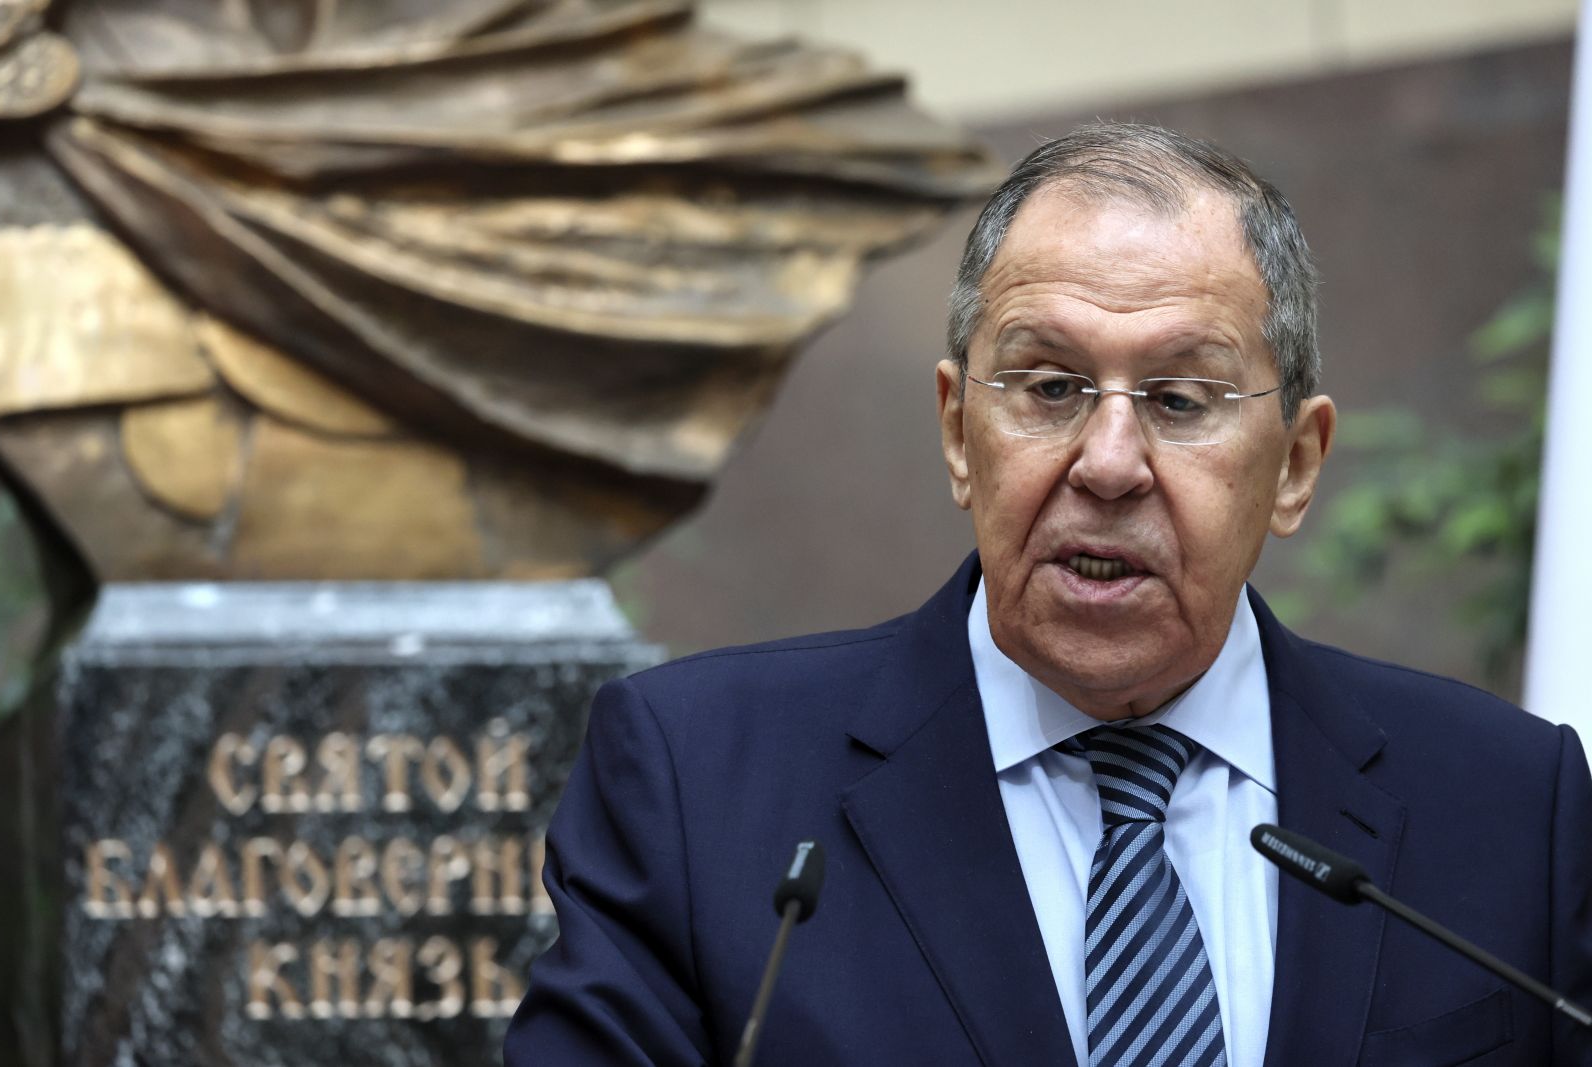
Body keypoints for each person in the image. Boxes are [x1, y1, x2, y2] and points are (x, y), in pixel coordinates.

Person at [505, 123, 1592, 1066]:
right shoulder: (700, 782)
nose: (1108, 464)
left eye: (1179, 398)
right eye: (1051, 386)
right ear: (956, 431)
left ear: (1296, 465)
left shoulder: (1506, 804)